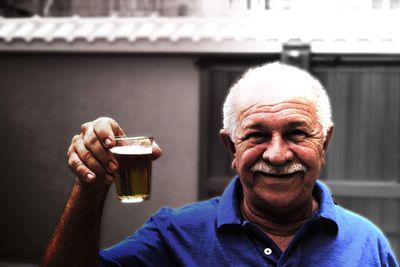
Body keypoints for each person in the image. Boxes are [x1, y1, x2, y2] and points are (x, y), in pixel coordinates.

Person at [42, 62, 399, 267]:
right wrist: (90, 185)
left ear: (324, 143)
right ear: (230, 145)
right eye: (256, 135)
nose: (277, 155)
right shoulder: (174, 234)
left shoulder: (367, 243)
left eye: (296, 133)